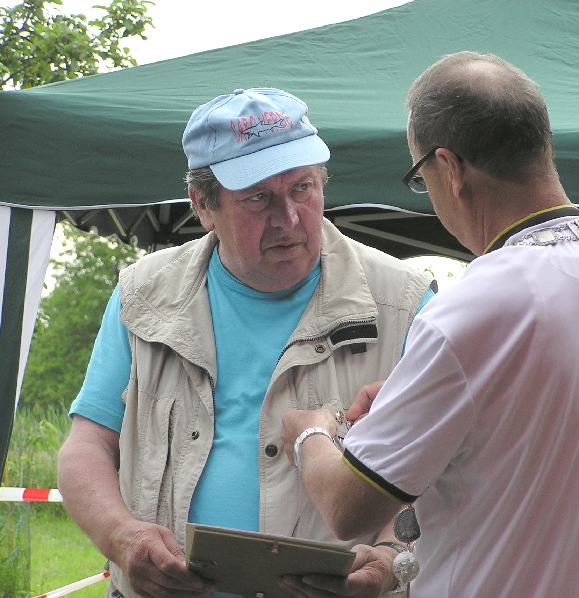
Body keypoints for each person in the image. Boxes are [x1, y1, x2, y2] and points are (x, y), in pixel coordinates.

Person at [280, 52, 579, 598]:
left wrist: (309, 432)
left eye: (420, 177)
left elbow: (348, 507)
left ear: (450, 168)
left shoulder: (477, 306)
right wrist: (432, 404)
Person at [57, 87, 434, 598]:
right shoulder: (142, 297)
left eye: (303, 188)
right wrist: (121, 538)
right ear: (203, 206)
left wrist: (391, 557)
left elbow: (442, 469)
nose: (289, 217)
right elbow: (87, 447)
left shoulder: (405, 305)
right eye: (258, 198)